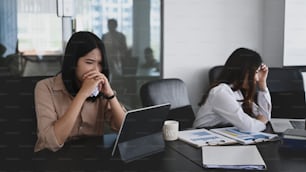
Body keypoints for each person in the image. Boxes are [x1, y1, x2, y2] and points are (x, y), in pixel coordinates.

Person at [34, 31, 126, 152]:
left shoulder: (100, 88)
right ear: (73, 62)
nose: (96, 70)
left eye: (100, 64)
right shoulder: (45, 88)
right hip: (54, 159)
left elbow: (124, 129)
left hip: (91, 157)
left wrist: (110, 96)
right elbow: (51, 142)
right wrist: (82, 94)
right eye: (89, 62)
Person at [193, 47, 271, 132]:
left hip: (221, 134)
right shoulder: (221, 92)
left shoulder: (239, 91)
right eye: (255, 72)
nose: (257, 78)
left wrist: (263, 85)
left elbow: (264, 115)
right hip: (204, 136)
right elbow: (250, 127)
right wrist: (262, 122)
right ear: (242, 71)